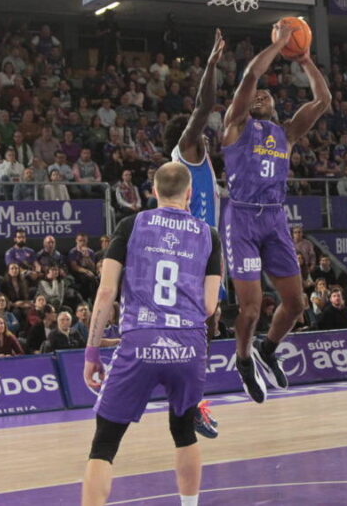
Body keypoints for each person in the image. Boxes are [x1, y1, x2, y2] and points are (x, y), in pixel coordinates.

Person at [80, 162, 222, 506]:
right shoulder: (208, 234)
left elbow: (105, 293)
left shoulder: (131, 225)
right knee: (184, 432)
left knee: (105, 443)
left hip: (140, 341)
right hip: (188, 344)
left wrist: (92, 351)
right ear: (189, 194)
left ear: (154, 192)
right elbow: (208, 306)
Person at [219, 19, 331, 404]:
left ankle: (268, 349)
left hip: (275, 218)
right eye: (257, 96)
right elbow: (251, 74)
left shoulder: (286, 134)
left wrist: (304, 59)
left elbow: (322, 101)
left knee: (297, 304)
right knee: (250, 309)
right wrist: (279, 44)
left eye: (268, 96)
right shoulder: (235, 127)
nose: (263, 95)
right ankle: (244, 357)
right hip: (242, 218)